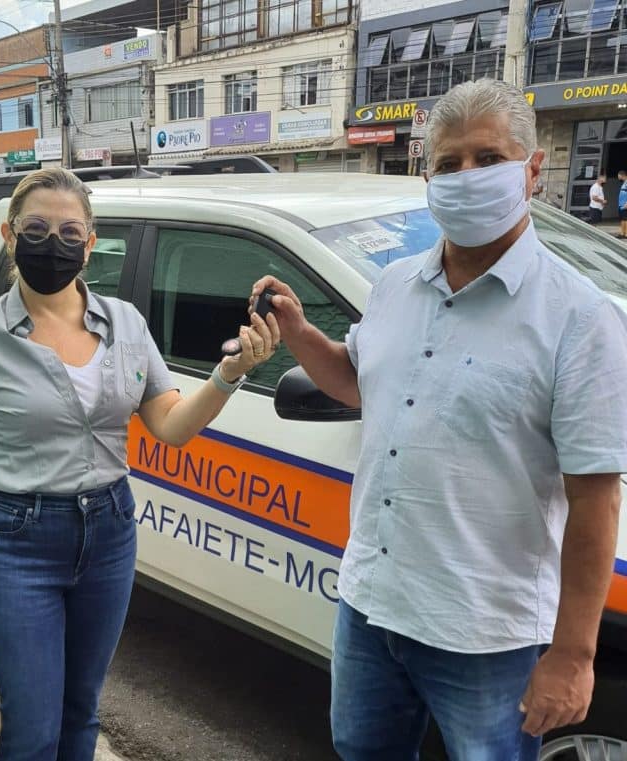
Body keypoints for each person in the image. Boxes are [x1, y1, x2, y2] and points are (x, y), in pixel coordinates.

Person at [254, 78, 627, 761]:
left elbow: (596, 497)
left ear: (533, 170)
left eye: (488, 158)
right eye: (448, 163)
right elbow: (357, 383)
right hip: (371, 604)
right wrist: (300, 332)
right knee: (361, 749)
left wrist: (574, 653)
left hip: (485, 636)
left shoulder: (580, 318)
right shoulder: (396, 285)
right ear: (428, 178)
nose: (467, 176)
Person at [0, 166, 279, 761]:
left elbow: (171, 425)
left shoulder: (126, 324)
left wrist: (229, 374)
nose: (54, 243)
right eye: (36, 229)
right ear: (9, 236)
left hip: (108, 533)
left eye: (70, 232)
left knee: (81, 712)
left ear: (90, 243)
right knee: (32, 728)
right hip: (14, 541)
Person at [617, 169, 627, 238]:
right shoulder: (624, 183)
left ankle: (626, 234)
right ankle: (622, 233)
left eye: (618, 176)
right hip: (621, 204)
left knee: (625, 219)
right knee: (622, 219)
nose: (618, 177)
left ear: (622, 175)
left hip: (625, 204)